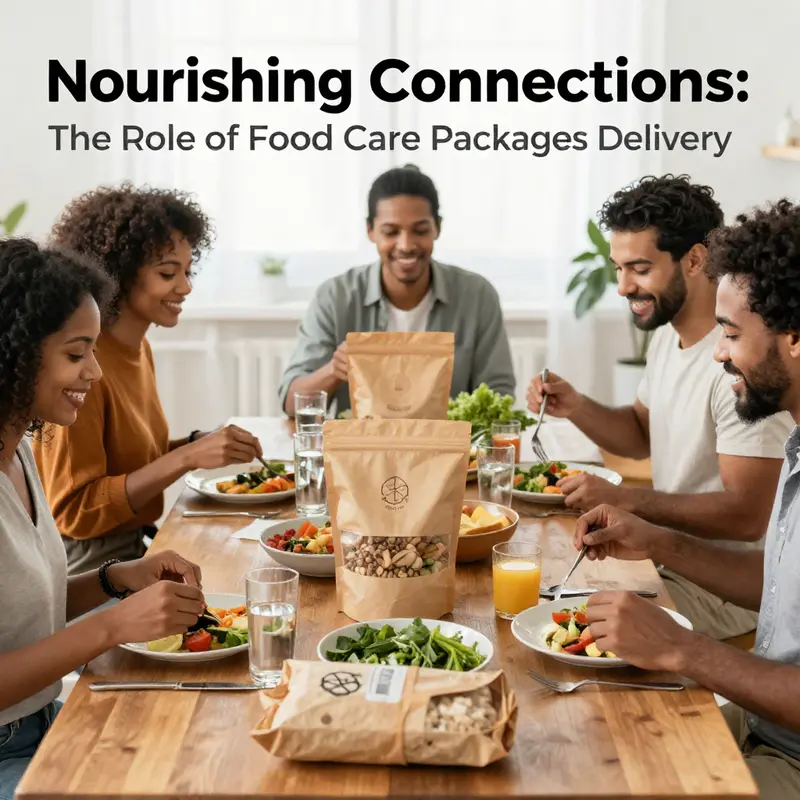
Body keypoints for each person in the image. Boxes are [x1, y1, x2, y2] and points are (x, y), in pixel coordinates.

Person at [572, 199, 800, 799]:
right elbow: (775, 584)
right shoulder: (798, 444)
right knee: (586, 744)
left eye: (730, 334)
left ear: (794, 338)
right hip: (761, 725)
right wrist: (653, 540)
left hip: (789, 759)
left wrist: (680, 648)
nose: (718, 353)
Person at [527, 175, 793, 640]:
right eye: (618, 268)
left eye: (640, 268)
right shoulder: (671, 338)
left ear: (694, 259)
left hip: (725, 592)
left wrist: (626, 499)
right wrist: (575, 406)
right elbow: (638, 435)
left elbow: (747, 514)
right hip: (671, 561)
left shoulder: (748, 368)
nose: (622, 286)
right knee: (544, 599)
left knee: (571, 631)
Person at [0, 239, 207, 800]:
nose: (94, 371)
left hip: (40, 724)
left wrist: (117, 579)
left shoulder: (19, 450)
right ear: (13, 354)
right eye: (75, 354)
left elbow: (19, 613)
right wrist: (112, 624)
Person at [33, 186, 263, 574]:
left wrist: (193, 445)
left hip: (132, 546)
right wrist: (186, 458)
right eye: (167, 273)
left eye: (188, 272)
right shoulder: (85, 368)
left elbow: (128, 460)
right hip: (89, 566)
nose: (186, 287)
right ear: (120, 274)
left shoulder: (138, 348)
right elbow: (75, 513)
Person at [278, 164, 516, 417]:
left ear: (437, 227)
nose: (406, 245)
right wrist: (333, 369)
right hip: (364, 453)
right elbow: (292, 403)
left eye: (420, 230)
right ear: (370, 231)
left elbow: (499, 395)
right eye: (391, 232)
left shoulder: (477, 296)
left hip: (446, 451)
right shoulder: (335, 297)